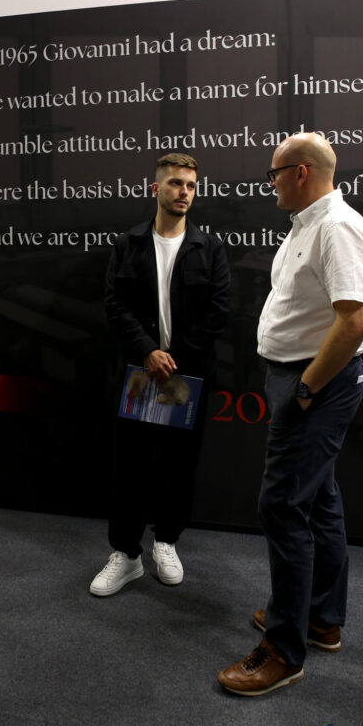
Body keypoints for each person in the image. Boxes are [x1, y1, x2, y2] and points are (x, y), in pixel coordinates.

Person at [218, 132, 363, 696]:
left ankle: (284, 651)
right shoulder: (309, 224)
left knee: (282, 506)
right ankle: (321, 618)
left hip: (316, 384)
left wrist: (307, 387)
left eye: (274, 173)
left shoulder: (336, 227)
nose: (271, 183)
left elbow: (356, 320)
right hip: (303, 378)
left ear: (301, 172)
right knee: (319, 498)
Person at [89, 152, 230, 597]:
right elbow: (115, 304)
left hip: (185, 377)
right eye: (174, 183)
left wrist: (172, 358)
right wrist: (148, 352)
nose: (183, 192)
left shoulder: (210, 248)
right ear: (156, 188)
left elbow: (218, 312)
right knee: (129, 466)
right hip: (139, 374)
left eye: (190, 185)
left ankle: (166, 541)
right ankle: (126, 554)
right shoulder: (128, 244)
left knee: (178, 465)